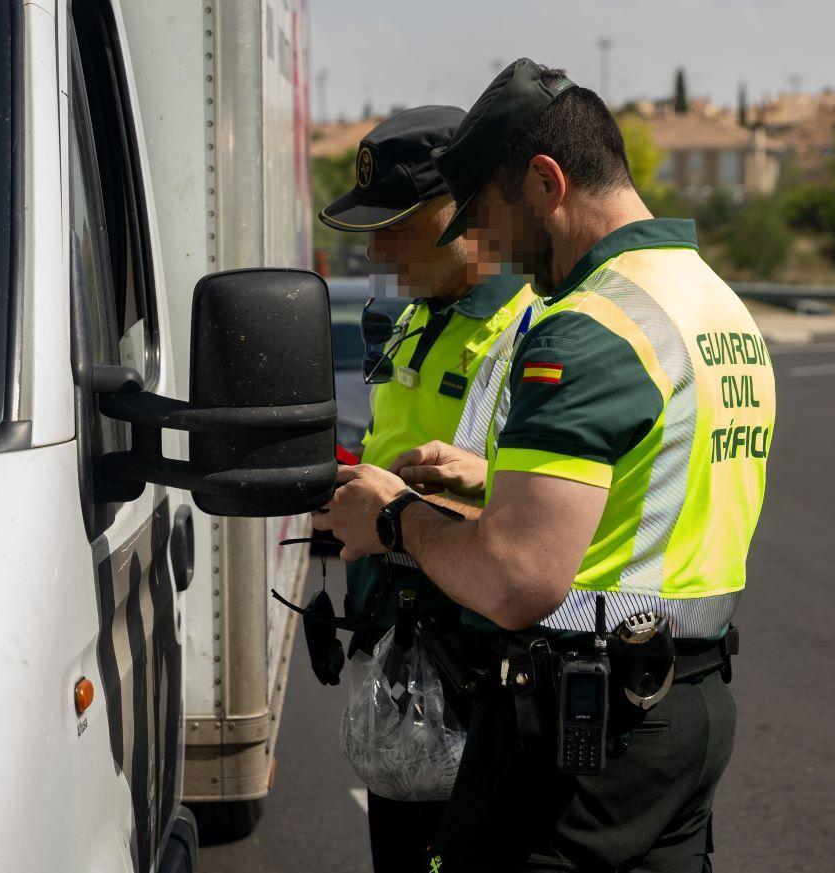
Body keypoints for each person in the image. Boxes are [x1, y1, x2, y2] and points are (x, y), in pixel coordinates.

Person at [314, 59, 775, 872]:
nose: (488, 247)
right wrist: (492, 482)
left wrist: (392, 517)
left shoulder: (589, 326)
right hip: (689, 706)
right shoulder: (712, 304)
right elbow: (651, 498)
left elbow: (516, 577)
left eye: (488, 217)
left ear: (545, 181)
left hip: (579, 734)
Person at [316, 105, 537, 873]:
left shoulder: (534, 331)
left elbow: (551, 530)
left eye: (397, 226)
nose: (375, 249)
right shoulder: (416, 319)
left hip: (487, 691)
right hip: (405, 670)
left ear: (467, 210)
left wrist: (397, 516)